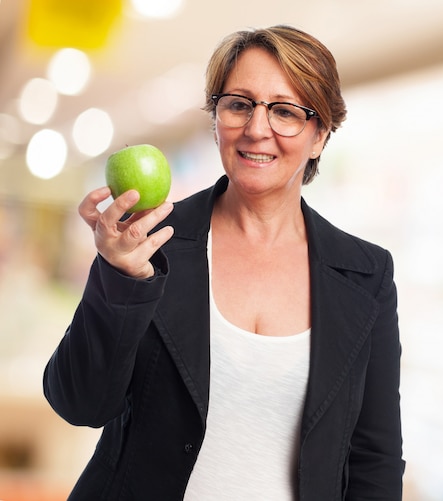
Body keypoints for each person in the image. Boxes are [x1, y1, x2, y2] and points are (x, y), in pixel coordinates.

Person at [43, 25, 404, 500]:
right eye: (239, 104)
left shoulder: (365, 274)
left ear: (319, 136)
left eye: (285, 110)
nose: (257, 128)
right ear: (216, 120)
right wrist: (119, 277)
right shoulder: (149, 241)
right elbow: (79, 403)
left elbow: (374, 457)